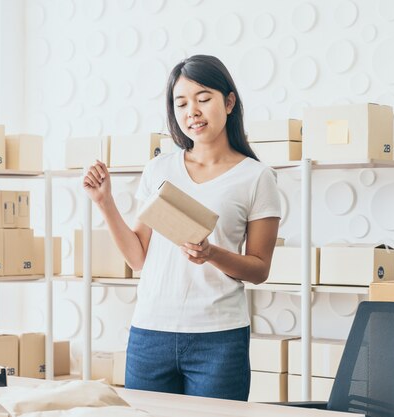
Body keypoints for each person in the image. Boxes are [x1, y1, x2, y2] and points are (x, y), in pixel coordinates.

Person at [82, 54, 281, 400]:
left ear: (229, 101)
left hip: (219, 338)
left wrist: (211, 253)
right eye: (182, 103)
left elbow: (259, 269)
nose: (193, 112)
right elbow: (137, 258)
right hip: (149, 334)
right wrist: (104, 202)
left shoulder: (257, 177)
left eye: (204, 99)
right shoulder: (159, 169)